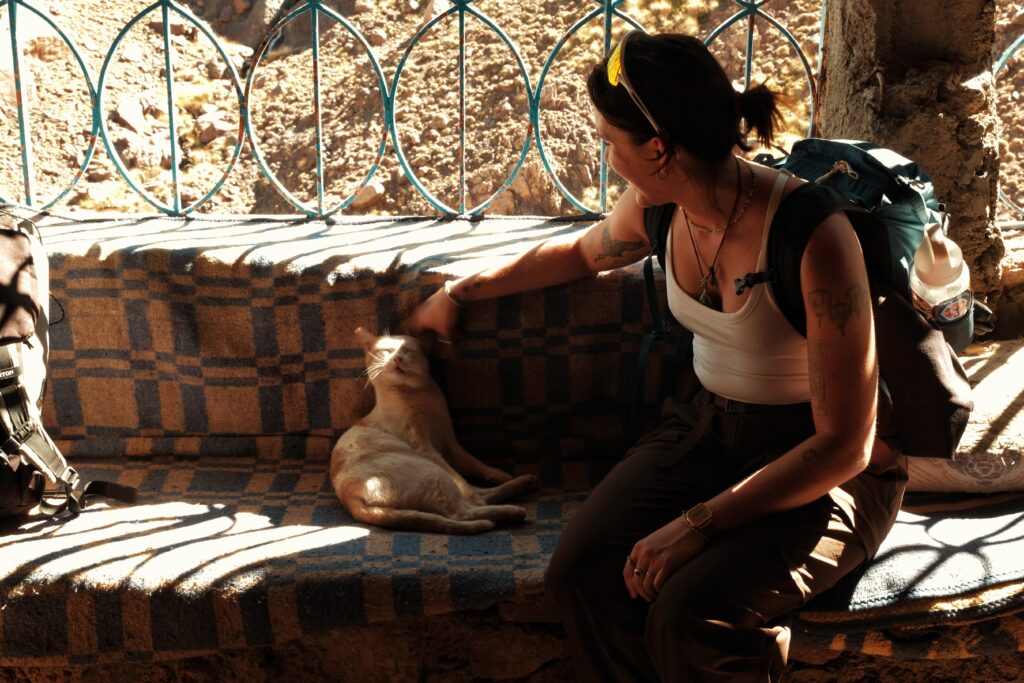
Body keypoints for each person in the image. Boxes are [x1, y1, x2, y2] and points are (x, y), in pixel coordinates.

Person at [405, 30, 907, 683]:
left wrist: (698, 521)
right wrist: (461, 290)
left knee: (689, 613)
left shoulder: (812, 236)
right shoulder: (658, 208)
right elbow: (584, 253)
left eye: (611, 142)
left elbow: (846, 444)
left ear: (659, 148)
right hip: (706, 428)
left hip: (822, 468)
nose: (607, 158)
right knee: (582, 575)